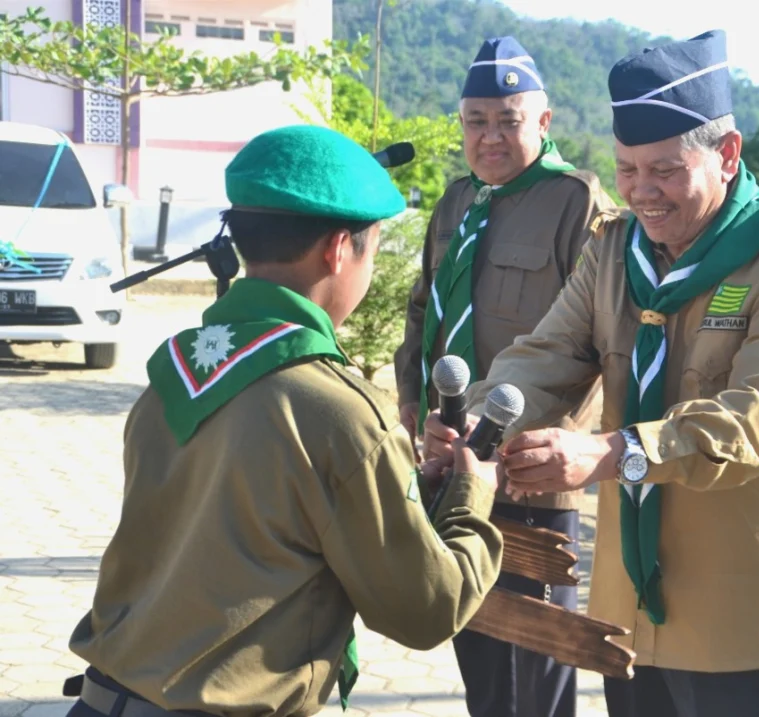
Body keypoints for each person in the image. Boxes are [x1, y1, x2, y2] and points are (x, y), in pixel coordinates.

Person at [425, 29, 759, 717]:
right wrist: (477, 421)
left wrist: (612, 452)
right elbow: (548, 353)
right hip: (629, 612)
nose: (643, 192)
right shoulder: (615, 252)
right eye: (626, 170)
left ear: (727, 155)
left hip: (743, 614)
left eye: (666, 171)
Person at [62, 125, 505, 717]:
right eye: (372, 251)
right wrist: (472, 494)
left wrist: (403, 488)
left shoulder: (175, 373)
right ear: (339, 249)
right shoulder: (339, 410)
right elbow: (425, 610)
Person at [392, 35, 614, 717]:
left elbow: (591, 345)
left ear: (543, 121)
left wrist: (524, 451)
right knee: (481, 652)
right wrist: (412, 405)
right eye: (475, 121)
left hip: (525, 472)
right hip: (450, 463)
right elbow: (424, 310)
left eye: (507, 121)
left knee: (531, 662)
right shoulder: (457, 200)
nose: (489, 137)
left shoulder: (577, 202)